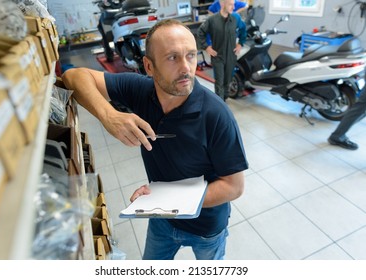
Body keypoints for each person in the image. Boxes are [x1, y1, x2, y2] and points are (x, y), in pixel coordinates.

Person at [62, 19, 248, 260]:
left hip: (206, 226)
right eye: (172, 58)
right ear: (149, 66)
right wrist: (108, 115)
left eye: (191, 56)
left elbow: (234, 186)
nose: (186, 68)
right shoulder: (140, 90)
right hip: (162, 222)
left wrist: (166, 198)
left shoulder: (217, 116)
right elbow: (73, 75)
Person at [197, 0, 246, 100]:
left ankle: (225, 99)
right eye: (230, 5)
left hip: (231, 56)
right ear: (223, 4)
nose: (233, 7)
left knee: (227, 81)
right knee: (219, 82)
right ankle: (220, 104)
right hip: (217, 56)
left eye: (234, 5)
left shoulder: (236, 18)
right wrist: (206, 47)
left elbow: (243, 29)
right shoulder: (212, 20)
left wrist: (240, 43)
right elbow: (200, 32)